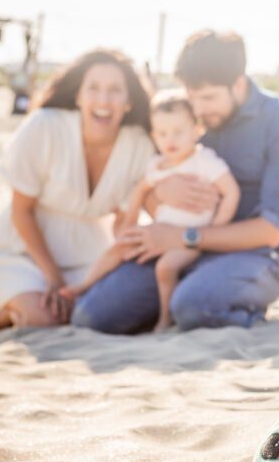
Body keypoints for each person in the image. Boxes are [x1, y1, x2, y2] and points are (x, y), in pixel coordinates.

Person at [71, 30, 279, 333]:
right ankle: (174, 303)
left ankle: (219, 307)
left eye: (209, 97)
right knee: (92, 317)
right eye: (192, 97)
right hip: (175, 248)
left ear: (239, 83)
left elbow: (271, 232)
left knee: (193, 306)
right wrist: (159, 192)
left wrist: (186, 236)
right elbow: (147, 181)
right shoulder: (184, 115)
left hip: (255, 255)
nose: (198, 110)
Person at [0, 49, 154, 329]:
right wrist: (53, 276)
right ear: (78, 95)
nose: (103, 100)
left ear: (129, 100)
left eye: (115, 90)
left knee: (103, 312)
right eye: (93, 88)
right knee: (44, 318)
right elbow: (21, 211)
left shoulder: (139, 144)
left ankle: (18, 307)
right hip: (23, 249)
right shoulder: (45, 125)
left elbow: (124, 220)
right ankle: (13, 307)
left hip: (91, 253)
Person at [61, 92, 240, 332]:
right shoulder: (157, 165)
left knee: (165, 268)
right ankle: (84, 285)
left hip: (189, 240)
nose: (170, 140)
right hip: (157, 232)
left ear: (197, 131)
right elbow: (140, 191)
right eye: (163, 134)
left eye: (178, 132)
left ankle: (165, 318)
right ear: (154, 136)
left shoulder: (204, 161)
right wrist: (131, 222)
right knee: (118, 248)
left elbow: (231, 192)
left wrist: (212, 232)